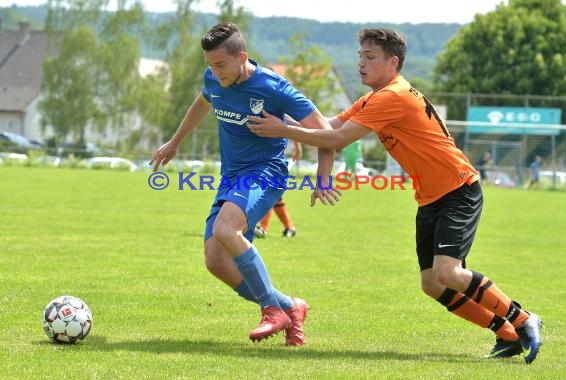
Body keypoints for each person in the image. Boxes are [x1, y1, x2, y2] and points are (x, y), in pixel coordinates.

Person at [248, 28, 542, 363]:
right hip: (430, 197)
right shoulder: (375, 97)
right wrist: (284, 120)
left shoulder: (392, 97)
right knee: (432, 283)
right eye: (360, 56)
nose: (361, 63)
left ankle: (523, 319)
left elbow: (337, 139)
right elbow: (326, 127)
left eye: (370, 57)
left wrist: (283, 130)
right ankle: (506, 335)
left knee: (449, 273)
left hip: (458, 189)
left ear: (393, 62)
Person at [150, 22, 339, 346]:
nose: (216, 72)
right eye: (210, 65)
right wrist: (175, 141)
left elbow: (328, 135)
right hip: (232, 178)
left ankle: (271, 310)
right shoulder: (214, 78)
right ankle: (290, 307)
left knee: (226, 231)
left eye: (221, 64)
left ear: (243, 57)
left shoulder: (274, 88)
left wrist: (322, 176)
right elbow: (204, 101)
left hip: (267, 171)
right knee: (216, 261)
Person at [255, 139, 301, 238]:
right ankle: (289, 228)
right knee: (274, 195)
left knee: (269, 192)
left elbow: (293, 125)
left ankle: (263, 228)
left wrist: (298, 148)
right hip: (264, 158)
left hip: (276, 160)